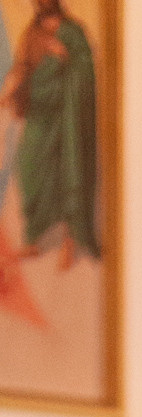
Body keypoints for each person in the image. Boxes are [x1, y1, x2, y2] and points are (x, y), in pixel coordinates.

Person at [5, 0, 98, 271]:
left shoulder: (73, 31)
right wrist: (12, 88)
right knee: (29, 166)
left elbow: (86, 68)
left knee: (71, 170)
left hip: (68, 114)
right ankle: (33, 239)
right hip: (39, 111)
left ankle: (71, 240)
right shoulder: (32, 33)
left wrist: (65, 56)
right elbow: (23, 66)